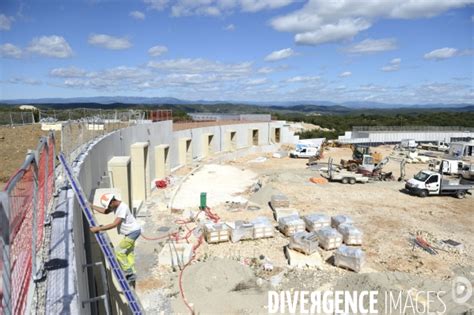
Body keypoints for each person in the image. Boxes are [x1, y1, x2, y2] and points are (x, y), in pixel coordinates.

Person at [90, 193, 141, 281]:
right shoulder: (115, 206)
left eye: (109, 205)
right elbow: (105, 211)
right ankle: (132, 272)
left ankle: (129, 272)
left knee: (119, 252)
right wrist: (91, 206)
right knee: (128, 252)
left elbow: (114, 224)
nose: (109, 208)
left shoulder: (122, 208)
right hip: (132, 232)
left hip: (133, 232)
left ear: (113, 201)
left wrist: (99, 228)